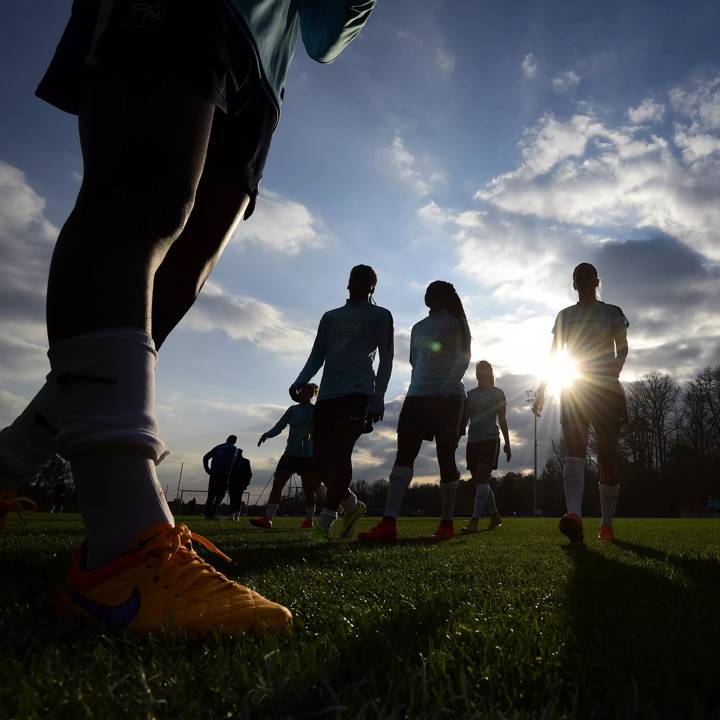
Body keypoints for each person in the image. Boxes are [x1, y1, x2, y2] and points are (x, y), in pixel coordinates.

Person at [0, 0, 378, 635]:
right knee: (141, 195)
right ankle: (121, 546)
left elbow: (323, 38)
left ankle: (10, 462)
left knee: (176, 281)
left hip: (263, 62)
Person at [360, 281, 471, 542]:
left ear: (445, 297)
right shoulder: (418, 327)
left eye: (434, 291)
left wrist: (443, 391)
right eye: (427, 291)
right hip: (416, 398)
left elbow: (463, 360)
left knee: (446, 457)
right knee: (403, 456)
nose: (428, 295)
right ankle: (388, 523)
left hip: (449, 399)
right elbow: (414, 361)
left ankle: (446, 523)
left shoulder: (456, 323)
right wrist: (419, 389)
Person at [290, 265, 394, 540]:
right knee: (321, 461)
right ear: (347, 283)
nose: (358, 282)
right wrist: (300, 380)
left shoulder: (381, 316)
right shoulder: (331, 317)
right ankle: (351, 504)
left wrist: (379, 398)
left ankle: (326, 518)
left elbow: (386, 359)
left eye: (366, 279)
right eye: (354, 277)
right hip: (328, 395)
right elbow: (317, 355)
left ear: (373, 286)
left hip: (358, 393)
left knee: (341, 451)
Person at [532, 263, 629, 542]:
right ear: (573, 284)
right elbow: (554, 356)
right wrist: (542, 388)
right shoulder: (564, 316)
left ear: (596, 281)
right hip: (574, 387)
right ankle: (573, 516)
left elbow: (622, 348)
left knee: (607, 453)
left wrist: (617, 365)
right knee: (574, 449)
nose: (584, 280)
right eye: (578, 277)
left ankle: (606, 523)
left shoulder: (613, 312)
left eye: (588, 276)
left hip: (604, 390)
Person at [250, 383, 323, 529]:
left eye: (308, 392)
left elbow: (319, 428)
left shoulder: (315, 411)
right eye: (302, 391)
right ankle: (267, 519)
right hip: (290, 453)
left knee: (308, 489)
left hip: (307, 455)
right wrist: (268, 434)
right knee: (278, 484)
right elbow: (280, 425)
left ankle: (309, 520)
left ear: (312, 395)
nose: (303, 394)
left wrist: (310, 432)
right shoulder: (293, 409)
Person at [461, 361, 511, 533]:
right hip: (473, 441)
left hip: (490, 440)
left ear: (490, 373)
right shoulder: (470, 395)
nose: (481, 373)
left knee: (482, 480)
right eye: (478, 370)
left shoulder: (498, 393)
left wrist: (508, 444)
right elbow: (465, 419)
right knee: (480, 482)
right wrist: (456, 436)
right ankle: (495, 517)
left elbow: (502, 419)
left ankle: (474, 521)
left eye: (484, 370)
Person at [203, 435, 238, 519]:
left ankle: (208, 514)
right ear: (234, 441)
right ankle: (213, 514)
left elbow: (205, 457)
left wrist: (208, 469)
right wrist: (229, 476)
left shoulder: (218, 447)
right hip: (223, 474)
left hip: (213, 473)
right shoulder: (233, 448)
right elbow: (231, 463)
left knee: (211, 494)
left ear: (227, 439)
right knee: (220, 494)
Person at [228, 449, 252, 520]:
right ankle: (235, 515)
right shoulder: (245, 461)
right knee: (237, 499)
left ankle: (234, 515)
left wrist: (246, 483)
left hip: (236, 483)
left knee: (234, 499)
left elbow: (249, 474)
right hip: (238, 483)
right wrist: (247, 483)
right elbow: (249, 474)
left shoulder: (233, 461)